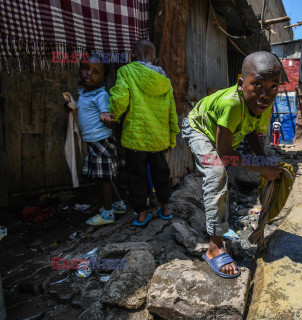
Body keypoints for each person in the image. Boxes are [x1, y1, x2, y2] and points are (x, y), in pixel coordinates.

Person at [182, 51, 282, 278]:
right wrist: (262, 168)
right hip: (199, 128)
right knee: (217, 172)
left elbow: (253, 133)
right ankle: (214, 246)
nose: (266, 94)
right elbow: (225, 154)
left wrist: (262, 162)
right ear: (240, 83)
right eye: (257, 84)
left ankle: (219, 221)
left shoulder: (263, 104)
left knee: (231, 170)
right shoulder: (232, 104)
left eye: (273, 87)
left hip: (222, 134)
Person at [106, 39, 179, 226]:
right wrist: (171, 138)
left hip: (135, 138)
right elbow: (172, 111)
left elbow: (120, 99)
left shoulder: (126, 72)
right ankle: (165, 208)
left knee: (136, 176)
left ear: (133, 56)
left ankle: (141, 213)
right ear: (155, 59)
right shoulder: (165, 81)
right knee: (161, 174)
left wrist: (112, 115)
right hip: (158, 138)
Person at [67, 55, 126, 226]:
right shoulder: (83, 93)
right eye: (85, 68)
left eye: (95, 71)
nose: (88, 74)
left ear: (103, 77)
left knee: (104, 179)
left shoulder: (101, 95)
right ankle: (119, 204)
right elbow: (79, 109)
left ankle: (108, 214)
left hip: (101, 141)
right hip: (93, 141)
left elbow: (106, 112)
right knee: (106, 177)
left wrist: (106, 116)